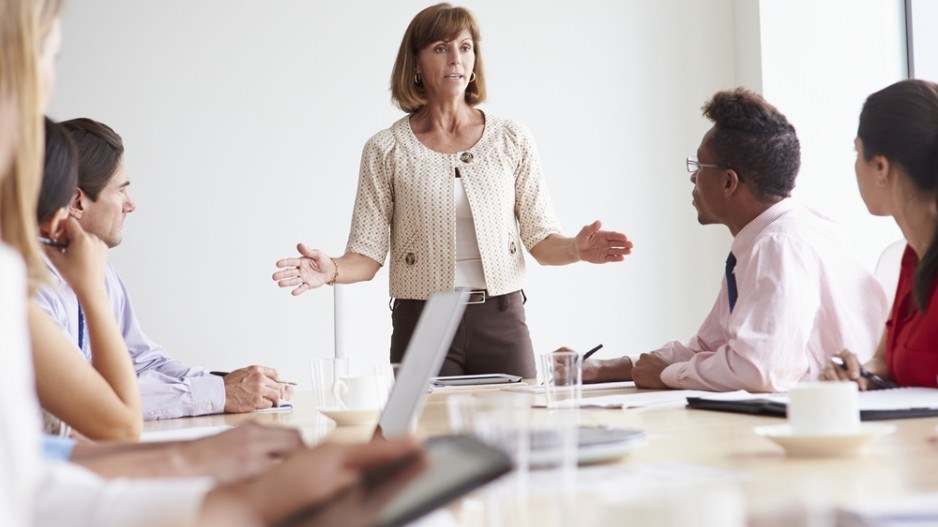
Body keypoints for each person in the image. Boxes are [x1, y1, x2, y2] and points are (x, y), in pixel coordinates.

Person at [273, 3, 633, 378]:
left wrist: (577, 247)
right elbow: (366, 256)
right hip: (422, 321)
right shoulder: (386, 149)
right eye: (441, 48)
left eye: (465, 47)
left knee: (516, 432)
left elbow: (541, 239)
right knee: (426, 434)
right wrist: (331, 270)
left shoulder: (512, 139)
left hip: (501, 319)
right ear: (415, 63)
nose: (456, 60)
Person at [578, 88, 888, 392]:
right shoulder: (776, 235)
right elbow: (708, 346)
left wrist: (669, 375)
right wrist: (597, 369)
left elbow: (758, 369)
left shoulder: (777, 245)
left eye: (698, 166)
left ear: (729, 181)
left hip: (821, 423)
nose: (692, 178)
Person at [33, 117, 290, 418]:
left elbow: (142, 361)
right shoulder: (30, 287)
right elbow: (89, 397)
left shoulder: (100, 269)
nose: (131, 204)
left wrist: (226, 384)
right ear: (77, 201)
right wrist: (218, 394)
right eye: (120, 191)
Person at [820, 79, 938, 389]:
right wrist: (858, 373)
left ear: (881, 166)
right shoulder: (914, 255)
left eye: (857, 153)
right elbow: (886, 364)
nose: (856, 167)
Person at [31, 116, 142, 440]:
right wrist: (91, 292)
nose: (130, 205)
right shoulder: (19, 292)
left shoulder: (94, 265)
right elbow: (121, 425)